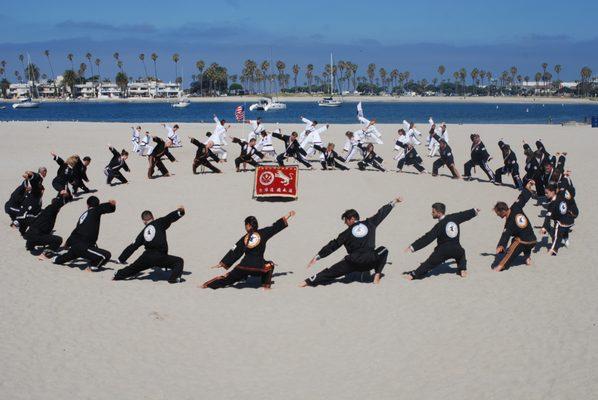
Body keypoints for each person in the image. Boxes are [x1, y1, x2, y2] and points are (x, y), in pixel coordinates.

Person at [301, 198, 401, 287]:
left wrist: (318, 256)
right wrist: (394, 202)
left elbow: (333, 245)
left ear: (352, 219)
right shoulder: (370, 223)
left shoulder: (346, 233)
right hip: (370, 260)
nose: (345, 223)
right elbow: (381, 213)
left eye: (346, 220)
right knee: (384, 250)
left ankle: (307, 282)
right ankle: (377, 274)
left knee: (330, 272)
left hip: (353, 262)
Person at [202, 210, 296, 289]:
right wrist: (288, 215)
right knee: (270, 265)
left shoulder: (244, 238)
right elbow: (275, 227)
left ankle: (206, 285)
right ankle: (266, 285)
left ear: (248, 226)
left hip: (243, 268)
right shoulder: (264, 233)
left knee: (226, 279)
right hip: (258, 268)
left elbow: (235, 251)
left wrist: (223, 263)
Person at [403, 203, 479, 280]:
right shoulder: (454, 217)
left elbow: (427, 238)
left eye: (433, 212)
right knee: (462, 254)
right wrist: (474, 211)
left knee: (429, 263)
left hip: (443, 251)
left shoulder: (439, 225)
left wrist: (413, 247)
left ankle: (413, 275)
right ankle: (462, 269)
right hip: (457, 249)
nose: (431, 213)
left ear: (439, 213)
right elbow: (464, 215)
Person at [113, 207, 186, 284]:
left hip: (146, 258)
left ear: (144, 221)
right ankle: (173, 279)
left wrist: (121, 259)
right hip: (160, 257)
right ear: (153, 217)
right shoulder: (160, 222)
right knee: (179, 261)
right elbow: (170, 217)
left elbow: (133, 246)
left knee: (133, 268)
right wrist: (180, 212)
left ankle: (117, 275)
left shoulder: (143, 232)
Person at [52, 196, 115, 271]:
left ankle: (56, 259)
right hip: (83, 246)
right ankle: (91, 267)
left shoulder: (84, 215)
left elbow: (76, 230)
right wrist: (111, 205)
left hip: (76, 245)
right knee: (106, 256)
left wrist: (67, 243)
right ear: (97, 205)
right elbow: (102, 208)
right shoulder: (95, 210)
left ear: (87, 205)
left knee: (66, 257)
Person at [492, 181, 537, 271]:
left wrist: (501, 245)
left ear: (503, 211)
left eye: (498, 213)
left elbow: (505, 235)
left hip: (524, 243)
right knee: (519, 236)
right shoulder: (516, 206)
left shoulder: (509, 224)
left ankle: (500, 267)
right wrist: (528, 188)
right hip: (534, 240)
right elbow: (522, 198)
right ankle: (527, 258)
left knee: (511, 249)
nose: (497, 215)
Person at [23, 190, 72, 259]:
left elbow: (56, 202)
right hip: (36, 235)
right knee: (58, 240)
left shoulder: (46, 210)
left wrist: (59, 195)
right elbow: (58, 203)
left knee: (40, 233)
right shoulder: (52, 209)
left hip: (29, 235)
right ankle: (45, 254)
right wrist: (64, 195)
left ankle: (29, 246)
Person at [541, 183, 579, 255]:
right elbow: (571, 190)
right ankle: (566, 240)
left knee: (556, 236)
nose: (545, 194)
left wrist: (544, 227)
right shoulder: (562, 194)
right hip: (571, 219)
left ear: (553, 192)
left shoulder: (552, 204)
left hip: (562, 221)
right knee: (564, 229)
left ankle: (553, 251)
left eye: (547, 193)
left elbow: (548, 217)